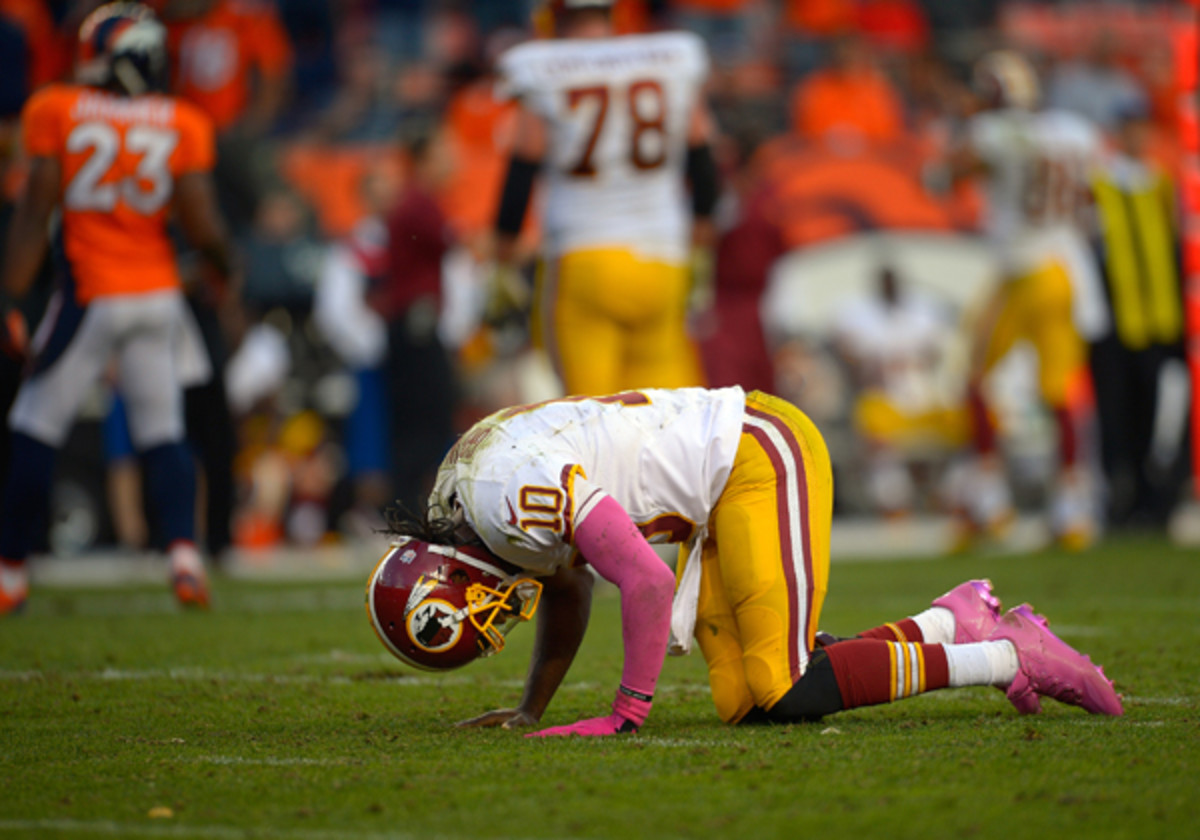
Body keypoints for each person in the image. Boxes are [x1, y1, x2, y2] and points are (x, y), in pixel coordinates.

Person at [366, 386, 1122, 736]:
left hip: (754, 455)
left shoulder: (503, 494)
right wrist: (533, 709)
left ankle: (1004, 654)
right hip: (715, 489)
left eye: (476, 622)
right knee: (751, 703)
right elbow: (568, 584)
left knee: (784, 687)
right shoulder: (467, 502)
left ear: (450, 579)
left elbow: (645, 579)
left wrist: (628, 713)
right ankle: (947, 621)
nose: (494, 625)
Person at [0, 2, 234, 614]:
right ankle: (184, 556)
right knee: (164, 429)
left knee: (33, 423)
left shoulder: (56, 108)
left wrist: (9, 294)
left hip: (93, 292)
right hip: (157, 296)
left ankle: (10, 571)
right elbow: (203, 224)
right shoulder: (181, 120)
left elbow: (34, 210)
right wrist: (226, 271)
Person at [491, 0, 719, 396]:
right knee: (666, 413)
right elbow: (703, 162)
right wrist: (699, 242)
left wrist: (501, 257)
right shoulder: (670, 58)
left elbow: (522, 169)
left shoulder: (543, 68)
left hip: (585, 255)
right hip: (663, 256)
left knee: (592, 418)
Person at [952, 50, 1109, 551]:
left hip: (1021, 271)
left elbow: (947, 173)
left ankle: (989, 502)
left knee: (975, 379)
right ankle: (1072, 511)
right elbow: (1090, 196)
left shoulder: (993, 132)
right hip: (1065, 271)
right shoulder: (1073, 130)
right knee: (1061, 391)